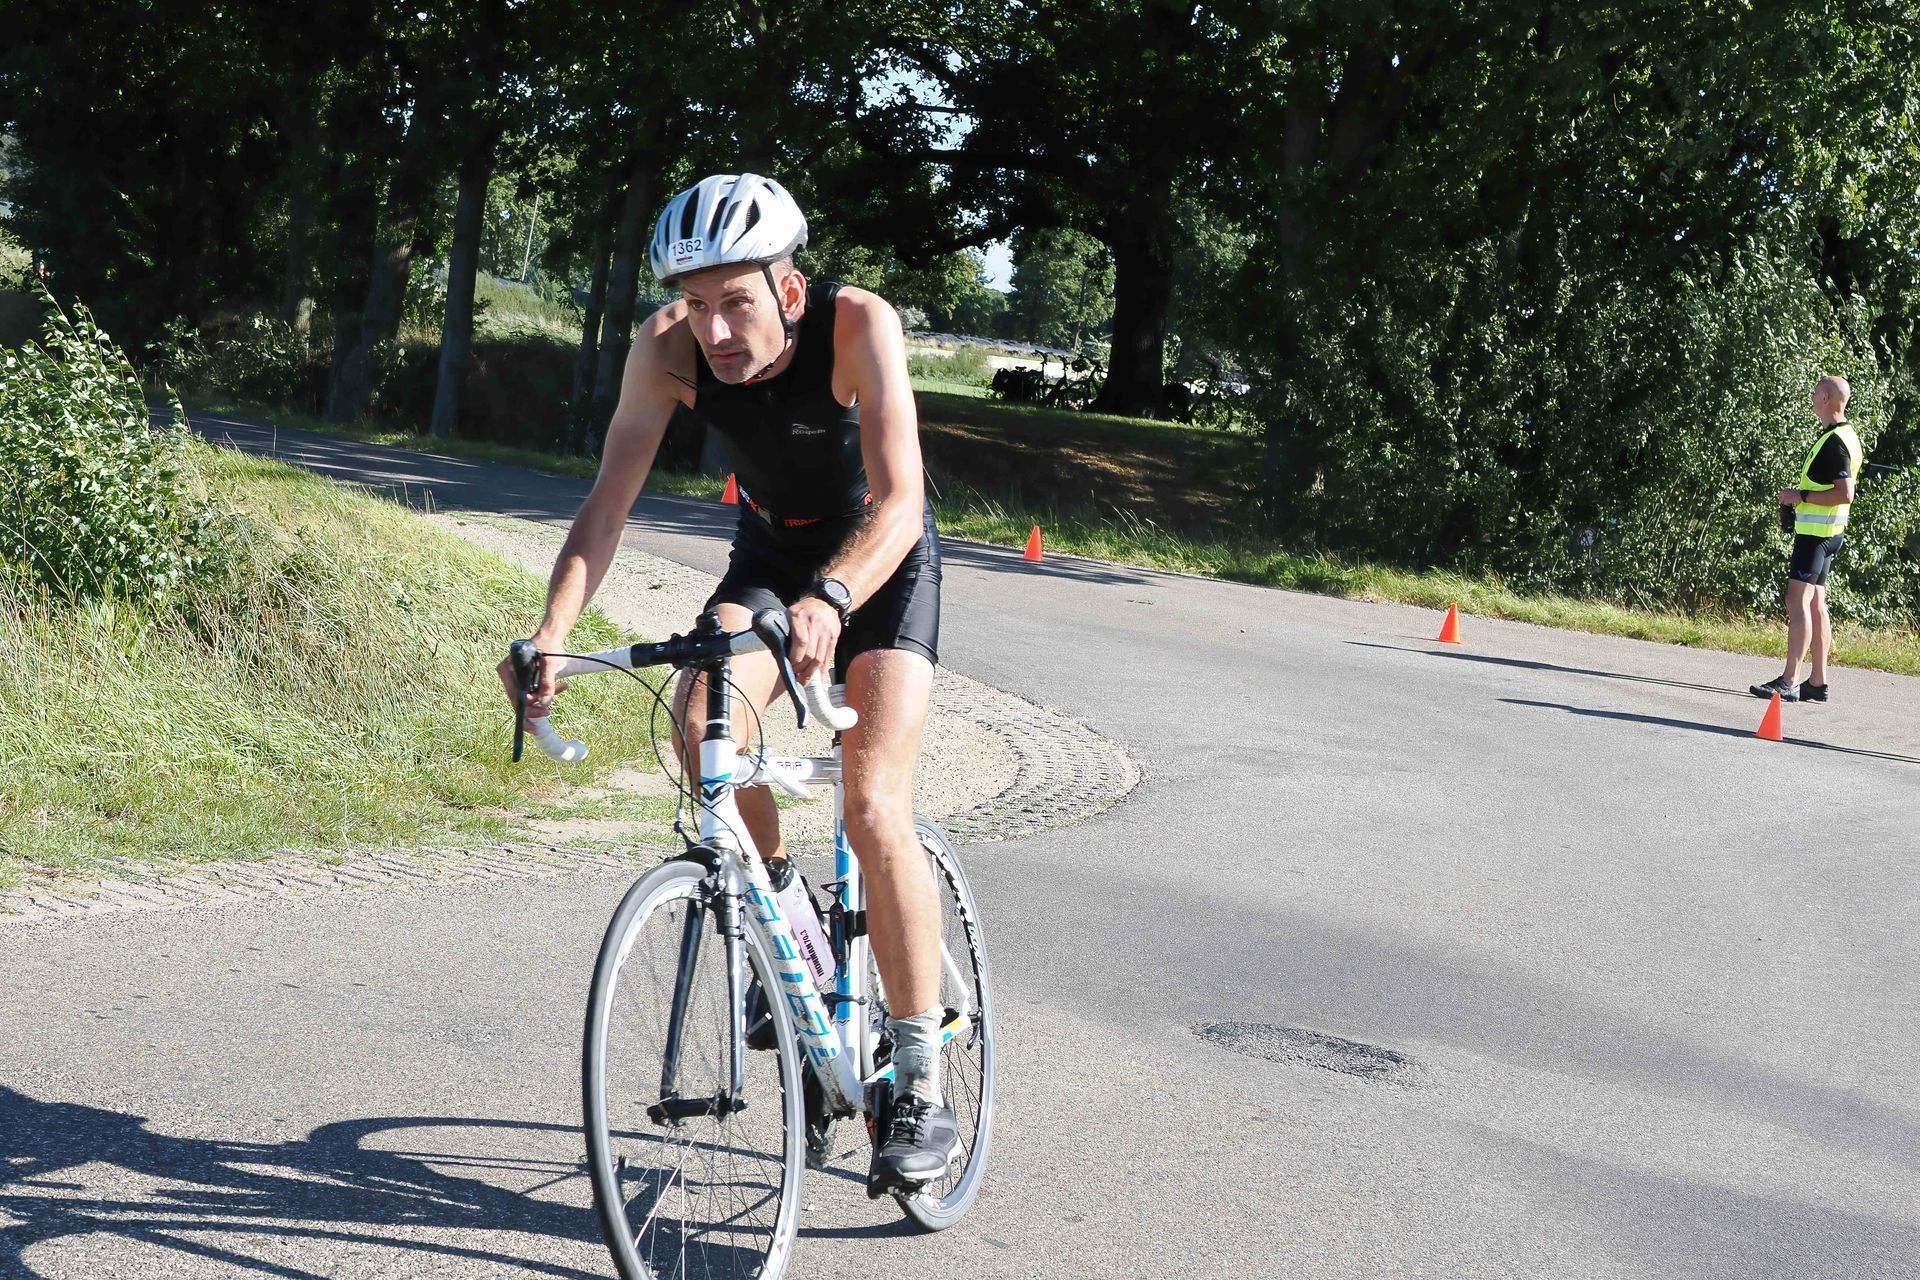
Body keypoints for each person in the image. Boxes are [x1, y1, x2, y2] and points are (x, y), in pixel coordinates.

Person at [497, 173, 957, 1192]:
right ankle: (787, 915)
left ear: (788, 289)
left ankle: (921, 1076)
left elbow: (901, 498)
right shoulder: (665, 347)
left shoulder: (857, 324)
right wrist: (552, 637)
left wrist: (834, 598)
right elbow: (607, 504)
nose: (713, 329)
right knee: (701, 722)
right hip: (771, 556)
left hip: (880, 562)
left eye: (736, 302)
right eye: (696, 303)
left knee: (872, 803)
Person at [1750, 375, 1862, 704]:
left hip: (1816, 537)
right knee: (1815, 604)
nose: (1812, 398)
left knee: (1797, 602)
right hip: (1829, 534)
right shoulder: (1844, 435)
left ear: (1826, 398)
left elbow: (1845, 494)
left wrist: (1799, 496)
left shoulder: (1835, 442)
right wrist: (1798, 500)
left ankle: (1789, 680)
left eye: (1815, 393)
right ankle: (1817, 682)